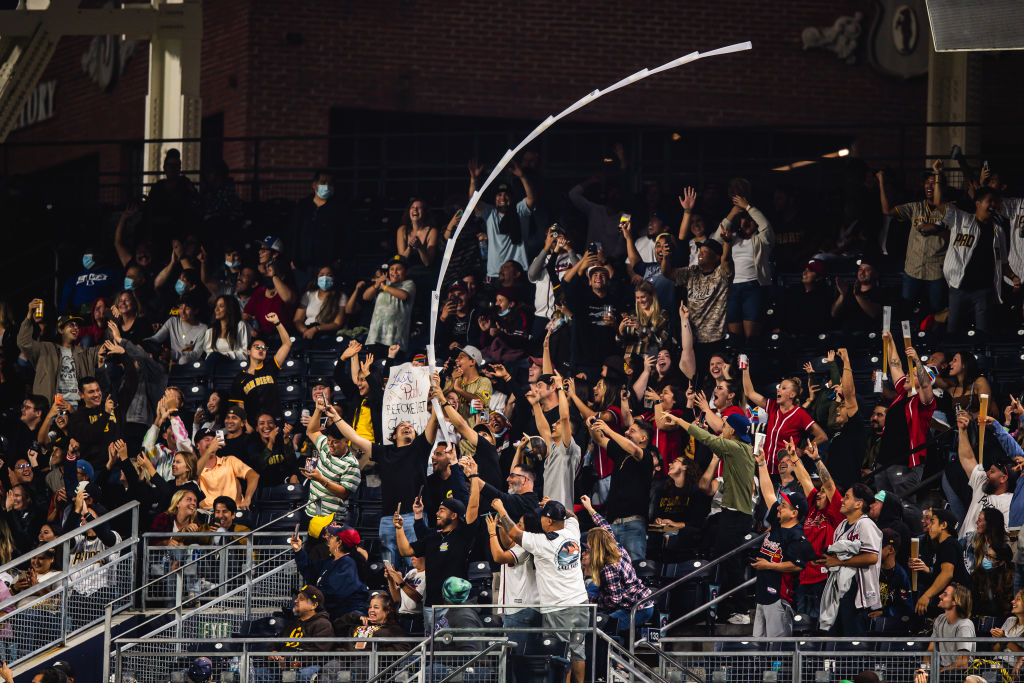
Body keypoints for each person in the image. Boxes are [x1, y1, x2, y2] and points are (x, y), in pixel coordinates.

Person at [662, 410, 755, 625]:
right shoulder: (740, 449)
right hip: (734, 516)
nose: (723, 427)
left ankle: (740, 610)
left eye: (725, 425)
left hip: (735, 516)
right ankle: (723, 606)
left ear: (732, 430)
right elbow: (710, 442)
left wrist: (678, 420)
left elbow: (708, 439)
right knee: (723, 559)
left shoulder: (735, 448)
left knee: (729, 561)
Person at [498, 499, 589, 683]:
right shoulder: (572, 530)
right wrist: (559, 507)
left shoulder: (541, 542)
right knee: (578, 651)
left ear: (548, 521)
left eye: (542, 517)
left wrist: (501, 510)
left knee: (562, 654)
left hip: (559, 608)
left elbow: (514, 534)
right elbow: (573, 516)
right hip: (580, 603)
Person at [396, 479, 481, 632]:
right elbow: (405, 551)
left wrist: (474, 478)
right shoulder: (433, 536)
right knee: (431, 647)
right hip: (430, 604)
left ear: (454, 515)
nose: (437, 513)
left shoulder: (463, 534)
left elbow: (473, 507)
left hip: (453, 605)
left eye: (442, 510)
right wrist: (399, 528)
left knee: (450, 646)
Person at [753, 447, 815, 640]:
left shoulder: (797, 535)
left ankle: (777, 672)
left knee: (777, 648)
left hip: (779, 597)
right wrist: (762, 464)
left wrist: (767, 565)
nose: (779, 506)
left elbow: (796, 566)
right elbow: (768, 493)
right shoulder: (777, 525)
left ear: (795, 513)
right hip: (762, 595)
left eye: (785, 505)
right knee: (758, 646)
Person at [934, 186, 1009, 335]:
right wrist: (937, 176)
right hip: (959, 287)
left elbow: (1003, 261)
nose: (993, 205)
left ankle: (979, 358)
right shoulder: (962, 219)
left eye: (995, 201)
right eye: (989, 201)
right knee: (954, 330)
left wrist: (1013, 277)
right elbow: (938, 203)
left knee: (983, 332)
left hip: (984, 290)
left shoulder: (998, 230)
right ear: (978, 203)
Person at [878, 162, 949, 314]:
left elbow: (951, 236)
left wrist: (936, 229)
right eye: (927, 183)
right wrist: (881, 182)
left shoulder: (949, 210)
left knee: (937, 311)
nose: (929, 186)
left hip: (936, 270)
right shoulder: (915, 207)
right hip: (913, 269)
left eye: (934, 183)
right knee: (906, 310)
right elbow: (887, 211)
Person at [580, 494, 655, 637]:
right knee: (593, 588)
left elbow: (614, 600)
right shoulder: (615, 546)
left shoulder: (609, 567)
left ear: (597, 548)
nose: (587, 549)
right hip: (639, 602)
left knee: (604, 628)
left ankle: (617, 659)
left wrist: (592, 600)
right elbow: (604, 526)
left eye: (589, 547)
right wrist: (589, 508)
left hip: (637, 609)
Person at [873, 333, 936, 496]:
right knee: (882, 505)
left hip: (905, 462)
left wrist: (917, 361)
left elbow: (925, 384)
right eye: (908, 373)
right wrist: (890, 341)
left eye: (912, 374)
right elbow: (895, 365)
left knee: (905, 505)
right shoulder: (901, 393)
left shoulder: (925, 403)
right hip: (885, 460)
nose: (907, 375)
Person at [816, 484, 882, 636]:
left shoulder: (866, 524)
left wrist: (839, 562)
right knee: (837, 640)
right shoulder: (841, 526)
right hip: (840, 588)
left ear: (859, 504)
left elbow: (872, 557)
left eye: (847, 497)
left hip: (858, 592)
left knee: (853, 645)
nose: (842, 500)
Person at [586, 416, 655, 562]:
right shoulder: (621, 453)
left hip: (633, 525)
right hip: (612, 523)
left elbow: (634, 450)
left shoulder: (647, 456)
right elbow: (599, 440)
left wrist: (608, 430)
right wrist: (592, 427)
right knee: (611, 570)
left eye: (632, 431)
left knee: (636, 570)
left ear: (643, 438)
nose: (627, 433)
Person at [483, 506, 540, 654]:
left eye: (520, 525)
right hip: (528, 608)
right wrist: (502, 525)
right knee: (527, 656)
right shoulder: (532, 543)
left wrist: (491, 532)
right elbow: (509, 544)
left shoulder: (524, 547)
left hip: (519, 610)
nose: (516, 527)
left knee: (516, 657)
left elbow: (499, 557)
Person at [19, 305, 100, 406]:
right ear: (60, 330)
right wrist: (29, 315)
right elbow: (23, 342)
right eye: (71, 325)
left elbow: (106, 348)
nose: (76, 327)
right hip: (52, 408)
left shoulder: (84, 352)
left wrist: (115, 321)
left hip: (78, 409)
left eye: (77, 326)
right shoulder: (46, 349)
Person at [469, 160, 536, 278]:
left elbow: (531, 198)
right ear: (494, 199)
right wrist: (474, 180)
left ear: (511, 197)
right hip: (495, 274)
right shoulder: (490, 213)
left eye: (506, 195)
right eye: (499, 195)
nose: (503, 198)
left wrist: (522, 177)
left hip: (519, 272)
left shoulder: (520, 210)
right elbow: (473, 203)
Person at [290, 522, 369, 620]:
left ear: (339, 542)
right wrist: (298, 550)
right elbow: (310, 571)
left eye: (331, 537)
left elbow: (333, 594)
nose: (328, 540)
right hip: (333, 613)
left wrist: (310, 599)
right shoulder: (331, 561)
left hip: (346, 616)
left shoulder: (348, 564)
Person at [230, 311, 292, 427]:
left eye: (264, 348)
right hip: (254, 427)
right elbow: (240, 406)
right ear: (248, 351)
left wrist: (277, 323)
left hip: (276, 423)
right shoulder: (240, 378)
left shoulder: (271, 366)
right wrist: (247, 426)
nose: (261, 349)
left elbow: (287, 344)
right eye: (257, 347)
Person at [956, 413, 1012, 542]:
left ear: (1003, 478)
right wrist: (962, 431)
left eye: (992, 471)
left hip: (981, 555)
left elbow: (1004, 535)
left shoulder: (1009, 502)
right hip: (962, 549)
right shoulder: (982, 483)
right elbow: (967, 458)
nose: (987, 473)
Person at [527, 372, 578, 508]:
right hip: (548, 508)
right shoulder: (554, 448)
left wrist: (560, 387)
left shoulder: (569, 447)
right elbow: (544, 430)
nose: (553, 425)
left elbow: (565, 417)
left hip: (563, 511)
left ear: (569, 431)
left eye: (558, 423)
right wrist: (536, 405)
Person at [303, 402, 361, 520]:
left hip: (332, 519)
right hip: (311, 513)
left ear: (346, 441)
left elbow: (344, 493)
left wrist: (321, 480)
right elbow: (312, 431)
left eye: (335, 442)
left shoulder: (351, 464)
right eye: (329, 440)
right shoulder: (325, 445)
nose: (330, 445)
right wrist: (318, 410)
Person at [911, 508, 971, 616]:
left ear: (943, 525)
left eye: (933, 522)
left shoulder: (949, 545)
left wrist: (926, 596)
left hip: (956, 604)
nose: (929, 525)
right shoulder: (943, 545)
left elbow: (947, 574)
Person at [922, 583, 975, 681]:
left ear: (955, 601)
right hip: (945, 672)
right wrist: (924, 670)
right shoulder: (940, 619)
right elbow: (930, 650)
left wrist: (939, 672)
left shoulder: (964, 625)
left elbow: (962, 664)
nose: (940, 596)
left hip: (961, 676)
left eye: (945, 594)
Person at [363, 255, 416, 349]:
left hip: (396, 340)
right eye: (391, 269)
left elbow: (404, 295)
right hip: (374, 338)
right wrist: (377, 285)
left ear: (407, 271)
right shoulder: (382, 284)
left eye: (398, 269)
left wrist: (383, 287)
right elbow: (366, 297)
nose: (394, 272)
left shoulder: (408, 284)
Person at [332, 592, 408, 651]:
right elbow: (336, 626)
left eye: (376, 607)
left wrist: (374, 652)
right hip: (346, 659)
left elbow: (403, 648)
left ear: (387, 610)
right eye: (370, 607)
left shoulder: (393, 629)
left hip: (369, 663)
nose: (371, 610)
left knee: (359, 666)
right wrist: (354, 618)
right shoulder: (357, 623)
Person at [293, 265, 347, 342]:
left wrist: (316, 329)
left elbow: (337, 323)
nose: (325, 278)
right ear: (317, 277)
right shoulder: (308, 295)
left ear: (334, 278)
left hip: (326, 334)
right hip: (307, 331)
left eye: (329, 275)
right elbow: (297, 319)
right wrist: (305, 331)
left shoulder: (341, 296)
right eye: (322, 275)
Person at [384, 552, 426, 635]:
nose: (412, 558)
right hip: (402, 618)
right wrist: (391, 580)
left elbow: (418, 598)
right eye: (411, 556)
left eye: (415, 556)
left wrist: (400, 581)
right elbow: (397, 598)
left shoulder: (429, 574)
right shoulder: (411, 572)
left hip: (417, 619)